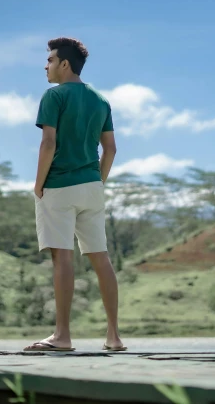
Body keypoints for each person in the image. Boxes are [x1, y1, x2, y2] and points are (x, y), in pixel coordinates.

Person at [23, 37, 126, 353]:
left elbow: (48, 143)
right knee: (101, 257)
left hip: (59, 187)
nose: (46, 65)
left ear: (64, 64)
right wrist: (98, 181)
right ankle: (114, 336)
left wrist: (38, 184)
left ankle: (62, 336)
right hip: (92, 187)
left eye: (51, 60)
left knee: (62, 258)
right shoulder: (101, 100)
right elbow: (110, 149)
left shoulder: (54, 96)